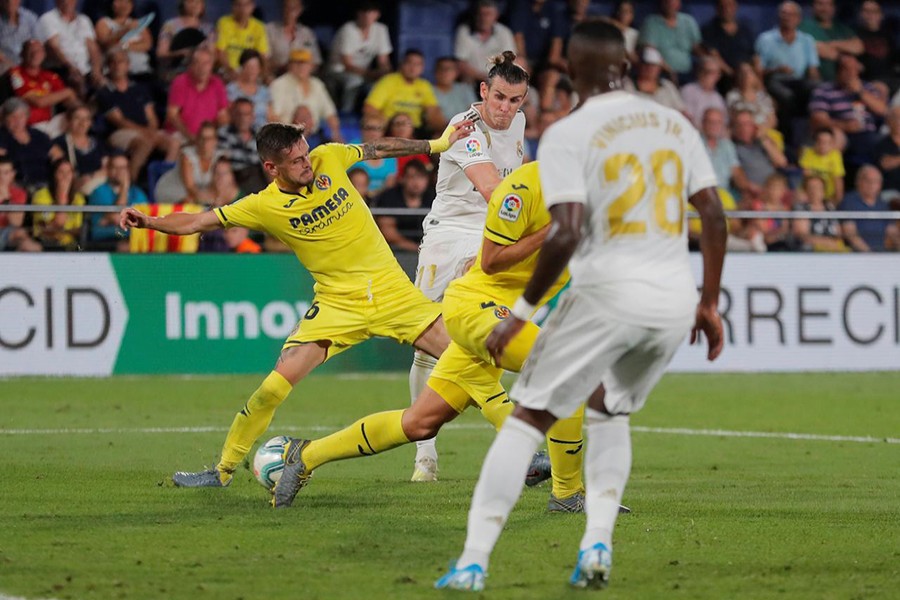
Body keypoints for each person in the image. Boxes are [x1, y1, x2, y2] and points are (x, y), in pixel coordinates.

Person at [435, 19, 725, 592]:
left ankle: (473, 560)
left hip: (609, 296)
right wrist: (708, 303)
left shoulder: (569, 135)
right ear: (628, 65)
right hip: (669, 304)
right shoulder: (673, 122)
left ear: (570, 73)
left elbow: (564, 233)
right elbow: (714, 216)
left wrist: (520, 312)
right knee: (609, 410)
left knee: (525, 424)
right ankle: (596, 543)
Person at [117, 117, 476, 491]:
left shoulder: (328, 159)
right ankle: (221, 471)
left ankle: (527, 442)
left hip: (393, 294)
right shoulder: (263, 205)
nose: (307, 163)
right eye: (297, 160)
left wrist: (436, 145)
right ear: (271, 168)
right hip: (337, 307)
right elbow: (197, 221)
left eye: (306, 154)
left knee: (468, 360)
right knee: (272, 387)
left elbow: (377, 149)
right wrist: (151, 222)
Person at [273, 161, 593, 514]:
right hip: (475, 308)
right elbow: (490, 261)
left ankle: (304, 456)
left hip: (497, 316)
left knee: (418, 422)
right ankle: (567, 495)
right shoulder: (523, 189)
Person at [407, 51, 528, 482]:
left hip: (491, 239)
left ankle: (515, 433)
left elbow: (516, 181)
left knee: (486, 337)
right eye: (499, 97)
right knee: (425, 345)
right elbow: (495, 188)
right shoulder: (464, 128)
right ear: (484, 91)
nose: (506, 109)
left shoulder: (519, 124)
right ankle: (425, 454)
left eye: (516, 101)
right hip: (448, 237)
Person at [98, 49, 180, 182]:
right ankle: (131, 182)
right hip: (120, 133)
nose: (118, 65)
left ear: (128, 65)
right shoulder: (106, 92)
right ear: (109, 66)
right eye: (114, 62)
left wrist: (152, 130)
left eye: (121, 62)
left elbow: (151, 116)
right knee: (144, 143)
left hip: (146, 130)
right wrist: (146, 132)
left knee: (174, 143)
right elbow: (119, 121)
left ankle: (163, 180)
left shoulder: (140, 89)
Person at [809, 52, 887, 165]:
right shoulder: (824, 91)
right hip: (841, 134)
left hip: (868, 133)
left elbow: (883, 110)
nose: (851, 74)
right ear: (838, 72)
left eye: (854, 69)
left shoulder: (867, 88)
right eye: (847, 70)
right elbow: (818, 120)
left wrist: (860, 92)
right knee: (835, 138)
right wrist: (845, 126)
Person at [754, 1, 820, 131]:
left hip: (798, 80)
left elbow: (813, 70)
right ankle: (787, 134)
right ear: (778, 16)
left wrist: (819, 86)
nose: (787, 17)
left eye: (792, 14)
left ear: (798, 18)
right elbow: (758, 70)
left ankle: (810, 133)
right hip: (774, 79)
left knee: (815, 88)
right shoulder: (765, 39)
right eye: (784, 13)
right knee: (786, 95)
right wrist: (777, 69)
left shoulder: (807, 40)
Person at [324, 1, 392, 113]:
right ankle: (346, 112)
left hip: (364, 73)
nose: (367, 16)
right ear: (358, 14)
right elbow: (347, 64)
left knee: (382, 83)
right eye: (364, 12)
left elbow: (383, 60)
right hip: (338, 71)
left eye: (371, 12)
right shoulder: (348, 29)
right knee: (354, 81)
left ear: (377, 14)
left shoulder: (381, 29)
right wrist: (371, 74)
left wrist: (386, 73)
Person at [363, 49, 445, 133]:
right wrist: (384, 125)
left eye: (417, 64)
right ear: (402, 64)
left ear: (422, 68)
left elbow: (433, 111)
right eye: (409, 63)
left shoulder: (424, 85)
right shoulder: (388, 81)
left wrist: (442, 129)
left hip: (415, 131)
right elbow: (370, 108)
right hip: (390, 129)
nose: (413, 68)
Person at [9, 39, 78, 137]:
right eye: (30, 51)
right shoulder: (16, 73)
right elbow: (39, 102)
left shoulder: (50, 76)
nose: (35, 54)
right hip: (28, 126)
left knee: (78, 118)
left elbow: (69, 100)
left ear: (44, 54)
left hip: (49, 124)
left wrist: (78, 109)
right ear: (22, 54)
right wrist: (68, 92)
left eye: (38, 51)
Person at [270, 49, 341, 141]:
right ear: (290, 65)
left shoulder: (317, 84)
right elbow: (273, 117)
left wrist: (336, 134)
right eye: (297, 63)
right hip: (288, 137)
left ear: (311, 66)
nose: (301, 67)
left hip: (314, 136)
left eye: (304, 63)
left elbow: (330, 114)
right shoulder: (279, 84)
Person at [38, 0, 104, 96]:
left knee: (105, 85)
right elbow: (54, 48)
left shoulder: (84, 20)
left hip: (86, 69)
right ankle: (81, 108)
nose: (66, 2)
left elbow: (93, 48)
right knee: (77, 81)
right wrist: (71, 68)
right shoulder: (48, 19)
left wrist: (96, 70)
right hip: (62, 68)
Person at [166, 46, 229, 144]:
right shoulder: (180, 82)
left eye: (206, 63)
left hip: (208, 137)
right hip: (180, 134)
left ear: (211, 66)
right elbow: (172, 115)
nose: (201, 68)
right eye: (197, 63)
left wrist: (211, 135)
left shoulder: (217, 84)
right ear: (190, 65)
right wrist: (190, 137)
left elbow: (223, 116)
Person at [87, 152, 146, 250]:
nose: (120, 172)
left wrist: (112, 218)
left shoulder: (137, 192)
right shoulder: (99, 191)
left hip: (132, 237)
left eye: (123, 168)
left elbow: (144, 218)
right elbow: (117, 217)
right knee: (126, 247)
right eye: (116, 168)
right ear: (108, 170)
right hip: (106, 237)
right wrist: (124, 186)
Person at [154, 121, 223, 204]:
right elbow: (190, 187)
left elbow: (218, 185)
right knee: (190, 201)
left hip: (198, 194)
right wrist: (209, 199)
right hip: (173, 191)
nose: (205, 142)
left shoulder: (220, 157)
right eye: (202, 138)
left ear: (216, 140)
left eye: (209, 138)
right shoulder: (187, 156)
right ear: (197, 139)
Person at [374, 159, 434, 252]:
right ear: (403, 179)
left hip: (430, 250)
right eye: (411, 177)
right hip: (395, 251)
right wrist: (415, 248)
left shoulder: (434, 198)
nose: (416, 182)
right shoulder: (389, 197)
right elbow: (387, 231)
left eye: (421, 177)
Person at [48, 104, 108, 196]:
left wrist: (91, 176)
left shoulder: (98, 143)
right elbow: (60, 171)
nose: (82, 123)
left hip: (98, 185)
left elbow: (106, 167)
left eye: (86, 119)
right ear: (69, 121)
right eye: (77, 118)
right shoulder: (59, 143)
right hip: (73, 189)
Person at [638, 0, 703, 81]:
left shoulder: (689, 21)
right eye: (667, 1)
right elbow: (650, 51)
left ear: (679, 3)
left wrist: (706, 61)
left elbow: (697, 49)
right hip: (662, 73)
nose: (671, 4)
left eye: (674, 1)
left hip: (689, 73)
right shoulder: (651, 22)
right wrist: (669, 71)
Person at [799, 0, 863, 83]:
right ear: (812, 6)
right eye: (820, 4)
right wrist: (845, 60)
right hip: (815, 83)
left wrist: (832, 44)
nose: (825, 9)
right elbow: (816, 48)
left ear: (834, 8)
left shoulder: (842, 28)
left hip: (844, 84)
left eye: (829, 4)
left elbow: (858, 47)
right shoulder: (804, 26)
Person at [454, 0, 516, 83]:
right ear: (474, 15)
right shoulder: (464, 31)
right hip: (473, 79)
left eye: (488, 14)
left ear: (496, 16)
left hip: (499, 78)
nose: (483, 18)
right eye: (480, 14)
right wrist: (485, 77)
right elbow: (461, 63)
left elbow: (510, 59)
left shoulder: (504, 32)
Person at [839, 165, 898, 252]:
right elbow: (850, 233)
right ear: (858, 181)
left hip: (881, 254)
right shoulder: (849, 201)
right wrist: (870, 254)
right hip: (856, 255)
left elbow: (892, 231)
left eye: (876, 181)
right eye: (868, 181)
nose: (872, 185)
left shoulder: (882, 204)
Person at [31, 157, 85, 250]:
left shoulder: (78, 198)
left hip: (70, 245)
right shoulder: (41, 195)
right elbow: (46, 229)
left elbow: (77, 230)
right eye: (61, 172)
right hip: (45, 243)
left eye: (69, 172)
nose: (65, 176)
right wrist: (62, 198)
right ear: (54, 174)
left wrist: (55, 229)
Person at [0, 97, 52, 190]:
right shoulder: (2, 136)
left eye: (21, 116)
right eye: (13, 117)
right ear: (4, 119)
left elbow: (58, 156)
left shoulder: (38, 135)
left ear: (27, 116)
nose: (17, 121)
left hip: (45, 184)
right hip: (15, 185)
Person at [700, 0, 755, 86]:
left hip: (747, 73)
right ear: (717, 8)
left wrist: (753, 75)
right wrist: (733, 75)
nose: (727, 9)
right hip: (724, 76)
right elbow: (714, 56)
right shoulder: (709, 29)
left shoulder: (745, 29)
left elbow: (754, 56)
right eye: (723, 6)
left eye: (730, 5)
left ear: (736, 7)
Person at [95, 0, 153, 77]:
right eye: (120, 1)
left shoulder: (138, 23)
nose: (124, 5)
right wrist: (125, 30)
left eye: (128, 2)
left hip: (140, 71)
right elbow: (104, 42)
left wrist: (125, 46)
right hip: (114, 73)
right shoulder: (103, 23)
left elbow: (147, 44)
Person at [218, 97, 265, 192]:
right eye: (239, 114)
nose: (243, 118)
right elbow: (222, 160)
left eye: (247, 114)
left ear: (253, 116)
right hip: (235, 177)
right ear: (233, 115)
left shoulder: (261, 134)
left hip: (258, 176)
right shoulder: (224, 134)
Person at [215, 0, 269, 82]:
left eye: (246, 5)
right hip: (229, 70)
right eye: (238, 5)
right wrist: (230, 70)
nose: (242, 9)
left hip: (251, 71)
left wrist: (264, 75)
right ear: (232, 6)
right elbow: (220, 52)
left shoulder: (259, 27)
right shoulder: (223, 23)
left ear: (252, 6)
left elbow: (263, 55)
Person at [156, 0, 214, 76]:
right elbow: (161, 54)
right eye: (191, 1)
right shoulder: (170, 26)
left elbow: (212, 55)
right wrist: (180, 53)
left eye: (198, 2)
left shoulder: (209, 29)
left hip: (201, 74)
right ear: (183, 3)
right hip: (175, 71)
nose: (195, 5)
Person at [732, 109, 787, 187]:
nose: (743, 128)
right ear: (734, 127)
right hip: (754, 191)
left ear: (754, 126)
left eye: (747, 124)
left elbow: (782, 162)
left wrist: (763, 138)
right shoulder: (732, 147)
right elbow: (737, 177)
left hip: (774, 188)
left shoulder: (763, 141)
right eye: (739, 124)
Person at [624, 46, 687, 115]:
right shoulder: (627, 85)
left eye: (653, 66)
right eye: (646, 65)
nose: (650, 69)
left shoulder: (668, 86)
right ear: (639, 66)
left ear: (659, 68)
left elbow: (682, 110)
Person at [792, 175, 846, 252]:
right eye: (811, 188)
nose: (814, 191)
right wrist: (827, 243)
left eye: (818, 188)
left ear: (823, 191)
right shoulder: (801, 208)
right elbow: (802, 235)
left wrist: (835, 244)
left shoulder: (830, 208)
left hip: (833, 250)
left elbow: (839, 234)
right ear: (805, 190)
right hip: (810, 252)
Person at [265, 0, 320, 75]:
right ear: (282, 9)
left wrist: (301, 70)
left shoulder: (307, 33)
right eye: (287, 7)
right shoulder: (269, 30)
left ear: (300, 10)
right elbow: (264, 60)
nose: (289, 11)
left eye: (293, 8)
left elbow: (316, 62)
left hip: (302, 77)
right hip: (276, 75)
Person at [225, 49, 275, 130]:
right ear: (242, 67)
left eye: (255, 67)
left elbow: (270, 117)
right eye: (248, 67)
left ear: (260, 69)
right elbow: (228, 116)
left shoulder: (265, 92)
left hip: (262, 134)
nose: (252, 71)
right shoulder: (231, 89)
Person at [0, 156, 41, 251]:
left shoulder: (19, 194)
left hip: (8, 234)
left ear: (12, 174)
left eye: (5, 173)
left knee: (26, 241)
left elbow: (16, 222)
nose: (1, 177)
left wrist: (6, 197)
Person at [351, 115, 397, 195]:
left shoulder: (389, 152)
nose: (372, 133)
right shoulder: (351, 149)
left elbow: (390, 184)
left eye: (377, 129)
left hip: (382, 199)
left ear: (383, 132)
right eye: (369, 128)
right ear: (362, 130)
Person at [799, 128, 844, 202]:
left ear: (832, 144)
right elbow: (806, 178)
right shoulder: (807, 153)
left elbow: (838, 180)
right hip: (809, 195)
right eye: (820, 142)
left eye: (827, 142)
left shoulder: (836, 156)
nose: (823, 145)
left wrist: (837, 200)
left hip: (828, 197)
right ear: (815, 142)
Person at [680, 57, 728, 127]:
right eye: (708, 71)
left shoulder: (718, 98)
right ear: (700, 72)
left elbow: (724, 123)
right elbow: (687, 117)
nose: (710, 76)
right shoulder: (688, 90)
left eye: (715, 73)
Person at [0, 0, 41, 75]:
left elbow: (38, 44)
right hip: (5, 66)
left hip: (28, 64)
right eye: (6, 0)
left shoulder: (30, 17)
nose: (10, 2)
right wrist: (13, 67)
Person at [433, 57, 477, 123]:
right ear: (435, 72)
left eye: (449, 69)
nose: (445, 72)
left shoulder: (465, 89)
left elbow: (473, 112)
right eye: (442, 68)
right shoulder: (429, 90)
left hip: (466, 127)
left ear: (456, 72)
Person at [875, 106, 900, 193]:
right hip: (890, 191)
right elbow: (885, 164)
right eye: (897, 118)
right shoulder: (881, 144)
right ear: (889, 122)